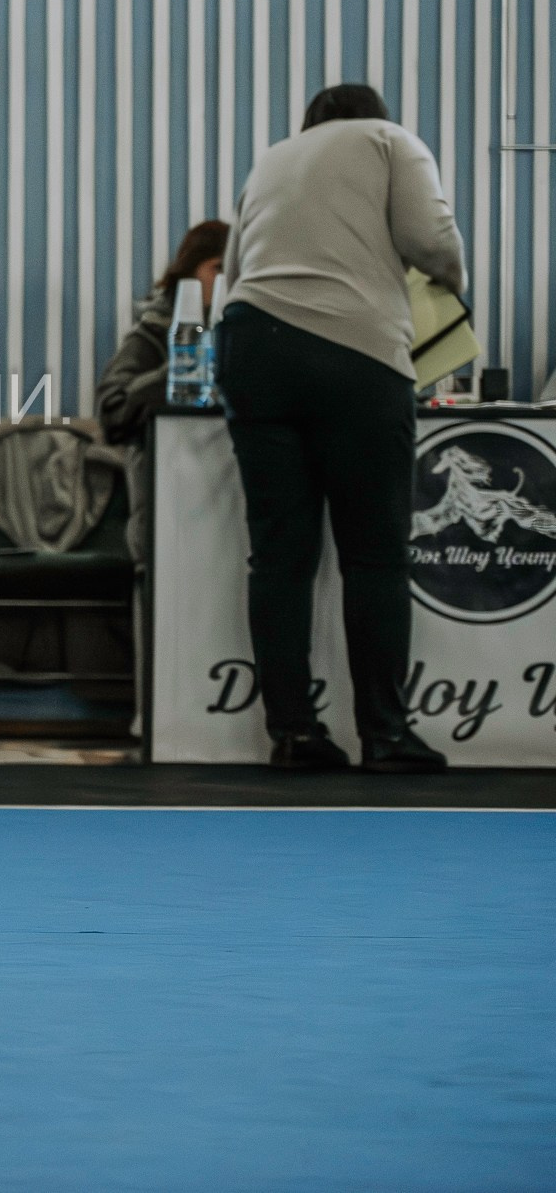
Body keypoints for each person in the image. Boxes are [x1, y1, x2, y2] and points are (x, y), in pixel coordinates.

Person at [213, 83, 465, 774]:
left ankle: (294, 733)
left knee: (280, 557)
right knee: (375, 554)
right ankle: (385, 734)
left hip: (252, 346)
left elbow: (235, 272)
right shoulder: (390, 141)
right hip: (354, 352)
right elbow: (430, 238)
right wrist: (452, 280)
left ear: (308, 125)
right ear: (373, 118)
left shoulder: (271, 159)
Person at [97, 219, 232, 564]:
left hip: (229, 517)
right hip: (166, 522)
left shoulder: (247, 336)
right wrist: (184, 368)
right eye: (218, 268)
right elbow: (112, 410)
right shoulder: (154, 334)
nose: (227, 281)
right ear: (188, 272)